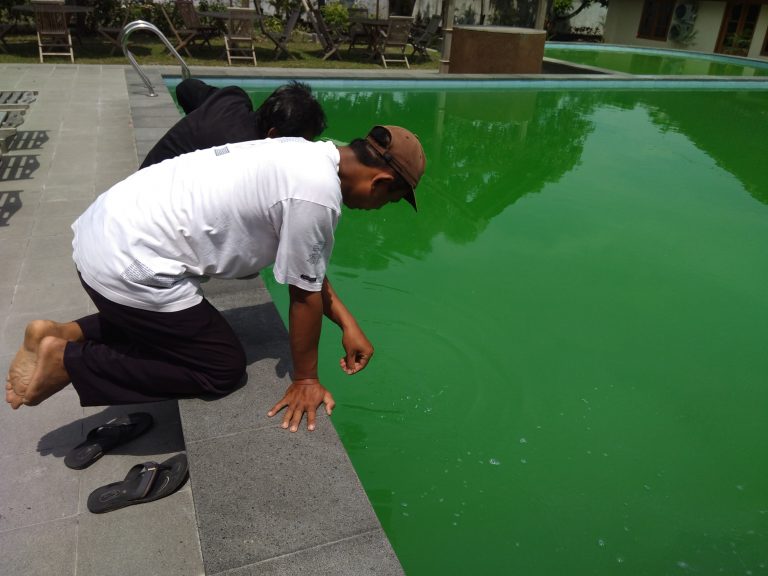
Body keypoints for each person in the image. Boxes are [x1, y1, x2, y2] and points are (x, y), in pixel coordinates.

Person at [6, 125, 427, 433]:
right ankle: (68, 361)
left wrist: (347, 324)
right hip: (127, 263)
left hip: (106, 227)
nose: (380, 208)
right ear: (382, 182)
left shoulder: (305, 152)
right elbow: (303, 296)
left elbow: (306, 267)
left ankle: (61, 332)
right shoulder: (316, 196)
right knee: (220, 368)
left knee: (170, 324)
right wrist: (306, 380)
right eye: (390, 200)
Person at [140, 79, 327, 169]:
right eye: (300, 145)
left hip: (136, 186)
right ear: (273, 136)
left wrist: (201, 123)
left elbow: (185, 87)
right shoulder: (243, 162)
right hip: (153, 220)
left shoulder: (231, 100)